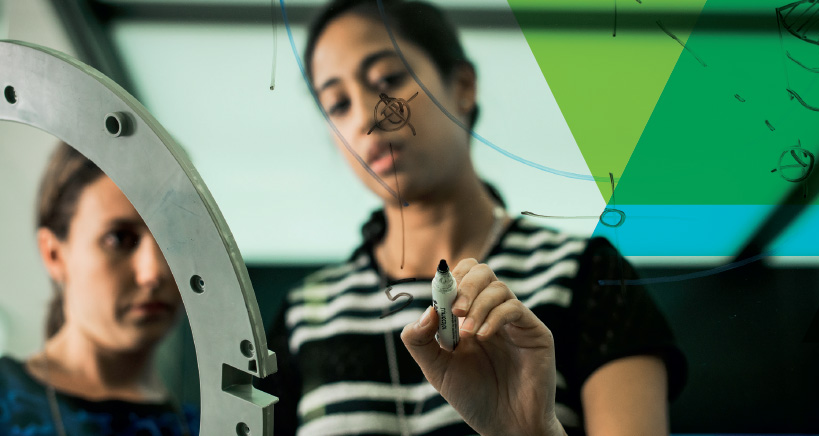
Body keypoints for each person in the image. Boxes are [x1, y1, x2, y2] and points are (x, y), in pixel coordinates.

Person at [262, 0, 687, 435]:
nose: (366, 118)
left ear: (463, 86)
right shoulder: (304, 314)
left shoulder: (585, 275)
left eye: (388, 79)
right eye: (336, 104)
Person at [0, 144, 200, 436]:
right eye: (119, 238)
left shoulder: (205, 426)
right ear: (53, 253)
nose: (154, 272)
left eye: (175, 237)